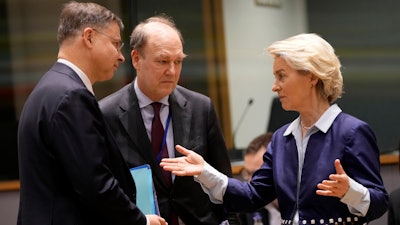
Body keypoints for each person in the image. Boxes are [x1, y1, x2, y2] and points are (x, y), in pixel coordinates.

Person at [160, 33, 389, 225]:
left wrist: (351, 191)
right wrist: (205, 171)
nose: (274, 86)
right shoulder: (282, 139)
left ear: (310, 76)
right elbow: (252, 196)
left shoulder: (352, 132)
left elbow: (379, 203)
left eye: (282, 76)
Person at [17, 2, 167, 225]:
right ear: (89, 37)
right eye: (116, 44)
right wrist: (140, 221)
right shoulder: (72, 96)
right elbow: (94, 184)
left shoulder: (49, 87)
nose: (121, 56)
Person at [99, 14, 238, 225]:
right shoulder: (107, 113)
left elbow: (224, 180)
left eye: (178, 61)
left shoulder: (201, 108)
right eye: (163, 61)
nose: (172, 71)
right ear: (136, 59)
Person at [239, 132, 281, 225]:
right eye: (247, 173)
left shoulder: (305, 203)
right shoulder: (248, 207)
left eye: (256, 173)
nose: (250, 181)